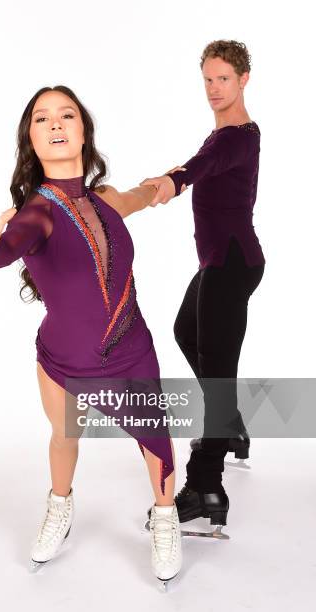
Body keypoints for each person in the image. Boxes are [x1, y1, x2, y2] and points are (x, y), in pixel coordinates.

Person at [0, 85, 181, 585]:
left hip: (132, 349)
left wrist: (174, 181)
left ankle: (164, 517)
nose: (54, 123)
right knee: (64, 436)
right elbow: (7, 248)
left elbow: (143, 194)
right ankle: (59, 507)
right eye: (41, 118)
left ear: (83, 132)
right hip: (63, 358)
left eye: (66, 114)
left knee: (155, 438)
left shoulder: (108, 199)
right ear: (30, 140)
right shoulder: (37, 212)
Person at [141, 40, 266, 528]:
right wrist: (172, 175)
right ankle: (229, 424)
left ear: (244, 80)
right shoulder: (229, 134)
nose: (214, 89)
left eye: (224, 80)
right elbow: (204, 161)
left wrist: (175, 181)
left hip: (229, 266)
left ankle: (206, 486)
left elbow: (203, 166)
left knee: (218, 378)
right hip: (223, 261)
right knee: (184, 332)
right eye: (208, 80)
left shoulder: (236, 136)